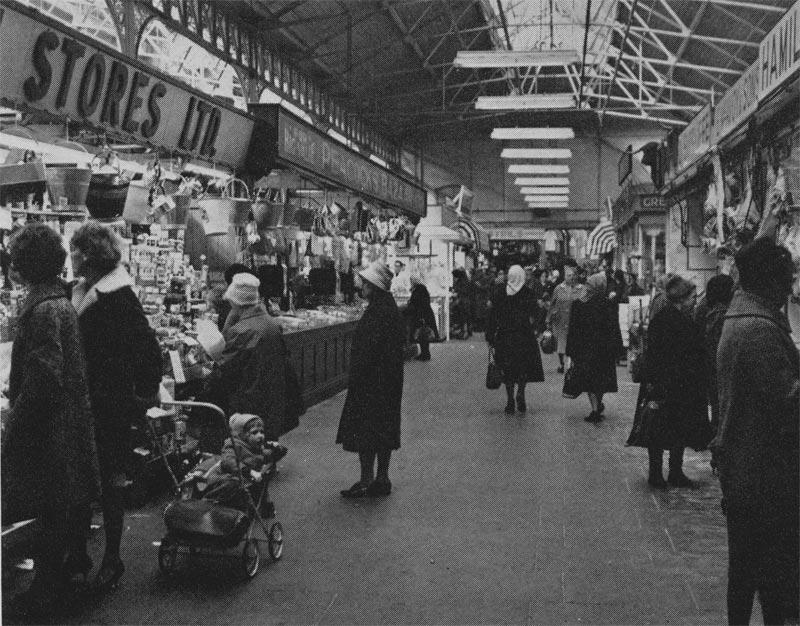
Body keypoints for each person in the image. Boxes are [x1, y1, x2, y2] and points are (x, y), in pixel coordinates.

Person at [2, 224, 100, 617]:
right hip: (68, 424)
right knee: (58, 513)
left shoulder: (42, 309)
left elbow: (45, 376)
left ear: (27, 265)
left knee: (47, 513)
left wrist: (15, 425)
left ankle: (46, 593)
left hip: (49, 432)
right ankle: (55, 584)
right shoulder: (60, 303)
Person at [69, 222, 162, 594]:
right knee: (80, 481)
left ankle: (112, 558)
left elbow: (149, 352)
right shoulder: (80, 289)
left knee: (109, 485)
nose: (70, 254)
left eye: (74, 249)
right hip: (84, 402)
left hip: (108, 405)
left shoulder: (118, 296)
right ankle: (77, 556)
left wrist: (139, 399)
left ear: (88, 254)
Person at [713, 238, 798, 625]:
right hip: (764, 471)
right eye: (787, 280)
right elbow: (785, 405)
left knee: (745, 569)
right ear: (770, 282)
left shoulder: (741, 320)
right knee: (772, 573)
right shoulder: (759, 331)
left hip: (744, 465)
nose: (789, 289)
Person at [337, 261, 405, 497]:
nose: (361, 287)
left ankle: (367, 479)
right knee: (384, 426)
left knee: (366, 428)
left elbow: (370, 349)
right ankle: (382, 477)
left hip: (370, 381)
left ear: (374, 286)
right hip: (388, 380)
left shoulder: (378, 311)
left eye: (365, 283)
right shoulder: (389, 308)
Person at [639, 276, 712, 488]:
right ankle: (671, 472)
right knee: (672, 428)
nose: (695, 302)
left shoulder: (662, 319)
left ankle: (661, 472)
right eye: (692, 297)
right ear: (681, 298)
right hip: (676, 384)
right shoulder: (681, 322)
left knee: (662, 428)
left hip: (665, 383)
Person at [217, 272, 289, 441]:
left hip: (248, 401)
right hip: (271, 398)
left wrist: (228, 325)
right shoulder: (271, 323)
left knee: (246, 451)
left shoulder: (242, 330)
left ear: (236, 302)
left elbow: (226, 368)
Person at [486, 265, 545, 415]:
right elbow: (537, 313)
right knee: (523, 367)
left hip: (505, 337)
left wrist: (490, 336)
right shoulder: (528, 293)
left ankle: (510, 399)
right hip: (524, 336)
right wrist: (537, 328)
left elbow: (492, 316)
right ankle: (521, 392)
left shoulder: (499, 293)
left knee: (507, 369)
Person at [565, 272, 623, 423]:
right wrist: (617, 349)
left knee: (589, 380)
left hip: (585, 350)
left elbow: (573, 329)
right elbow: (614, 328)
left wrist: (571, 350)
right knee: (601, 380)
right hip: (604, 350)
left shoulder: (579, 304)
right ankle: (598, 404)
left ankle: (595, 409)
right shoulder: (607, 305)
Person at [203, 414, 287, 511]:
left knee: (261, 481)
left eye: (262, 432)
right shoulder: (233, 445)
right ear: (243, 434)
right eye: (254, 433)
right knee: (233, 484)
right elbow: (228, 461)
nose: (260, 436)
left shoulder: (255, 447)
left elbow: (269, 456)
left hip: (245, 478)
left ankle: (263, 506)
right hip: (224, 478)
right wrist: (249, 471)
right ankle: (209, 502)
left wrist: (277, 448)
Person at [701, 274, 734, 442]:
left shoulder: (710, 311)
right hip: (719, 372)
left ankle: (717, 455)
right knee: (722, 413)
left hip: (712, 372)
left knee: (717, 411)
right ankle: (719, 455)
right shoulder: (722, 315)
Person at [546, 264, 586, 373]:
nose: (572, 277)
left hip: (575, 320)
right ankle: (561, 363)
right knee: (560, 343)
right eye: (569, 275)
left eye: (574, 275)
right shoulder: (558, 288)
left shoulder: (582, 289)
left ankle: (571, 364)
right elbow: (552, 304)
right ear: (565, 276)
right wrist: (548, 319)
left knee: (574, 342)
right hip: (560, 319)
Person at [406, 272, 439, 361]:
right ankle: (425, 353)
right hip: (425, 314)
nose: (411, 282)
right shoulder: (420, 288)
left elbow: (419, 303)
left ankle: (425, 354)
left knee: (423, 334)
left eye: (411, 280)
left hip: (422, 315)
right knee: (422, 335)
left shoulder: (419, 289)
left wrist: (421, 316)